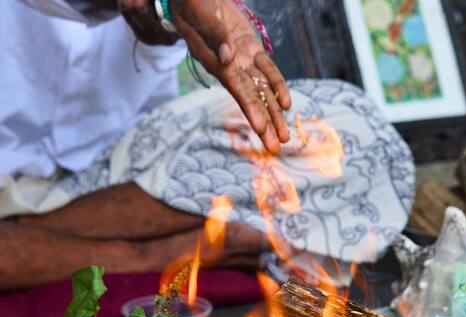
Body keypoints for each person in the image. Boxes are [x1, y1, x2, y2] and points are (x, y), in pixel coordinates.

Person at [0, 0, 415, 291]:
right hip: (9, 171)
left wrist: (171, 13)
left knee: (352, 129)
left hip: (118, 167)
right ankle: (162, 255)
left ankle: (30, 242)